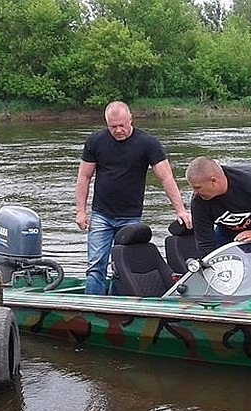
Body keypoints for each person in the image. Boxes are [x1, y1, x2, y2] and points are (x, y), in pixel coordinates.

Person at [74, 101, 192, 295]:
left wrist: (179, 210)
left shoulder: (147, 143)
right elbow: (84, 176)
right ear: (106, 123)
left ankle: (118, 304)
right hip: (101, 215)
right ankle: (93, 308)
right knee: (95, 267)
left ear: (130, 119)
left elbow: (166, 177)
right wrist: (80, 211)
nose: (118, 130)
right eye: (113, 127)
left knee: (123, 268)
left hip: (130, 217)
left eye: (122, 125)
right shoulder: (95, 141)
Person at [185, 156, 251, 255]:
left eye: (197, 187)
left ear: (213, 181)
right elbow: (205, 243)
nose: (195, 192)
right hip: (228, 232)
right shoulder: (198, 202)